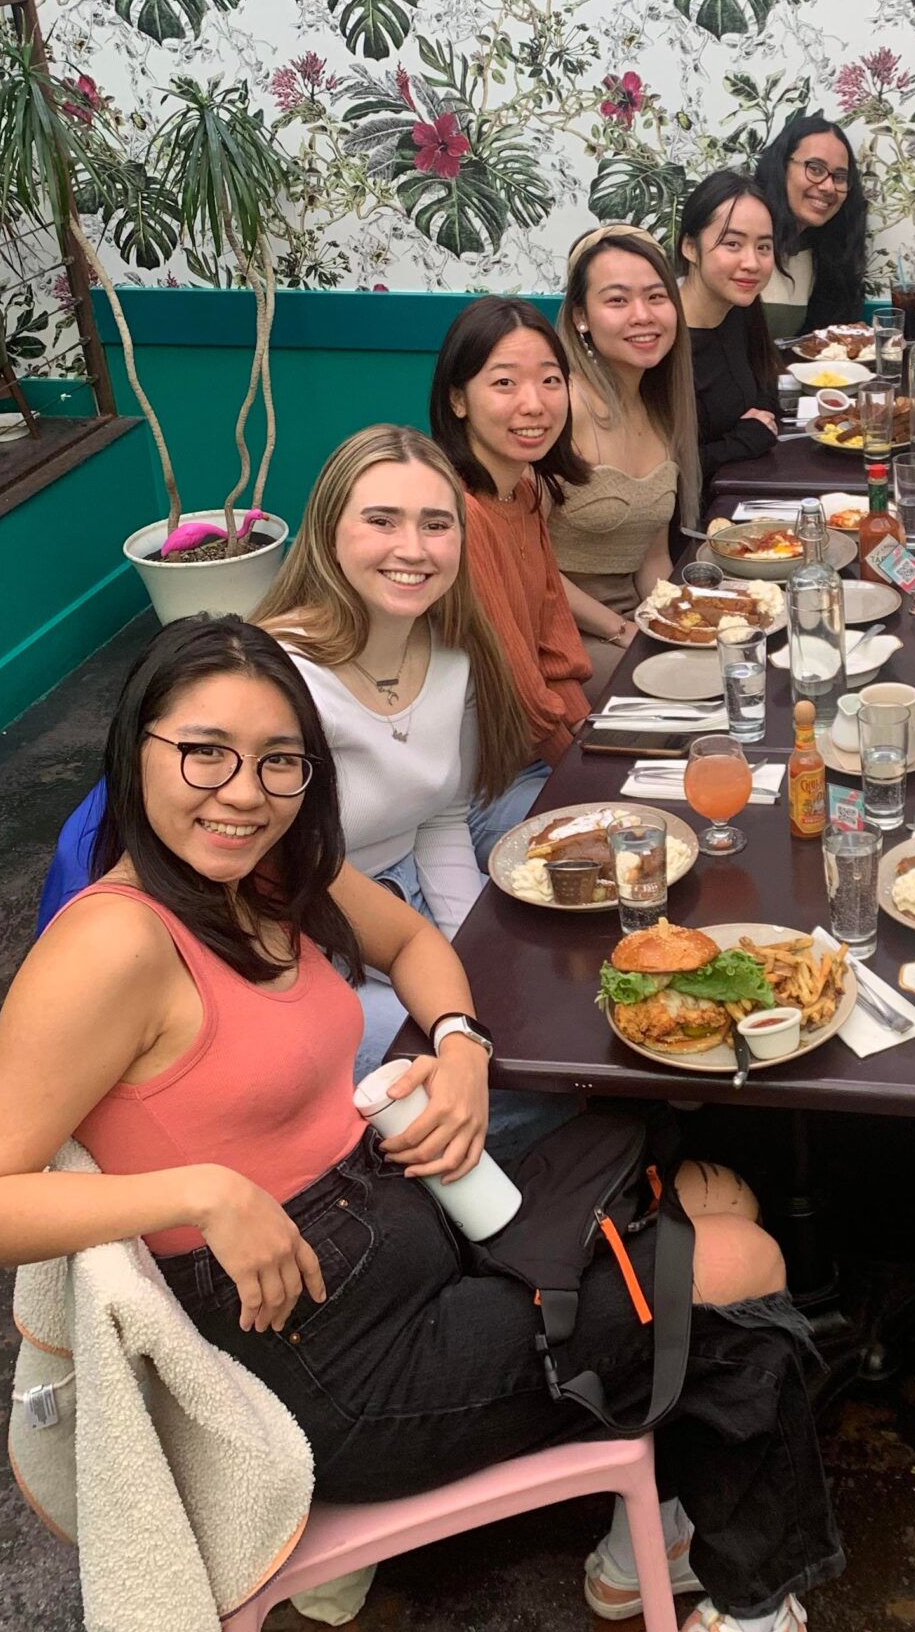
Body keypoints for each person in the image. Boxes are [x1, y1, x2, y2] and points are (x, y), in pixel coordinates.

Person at [0, 616, 839, 1632]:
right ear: (136, 748)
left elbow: (410, 942)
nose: (242, 792)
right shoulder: (112, 944)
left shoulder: (266, 874)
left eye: (279, 761)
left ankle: (663, 1528)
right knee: (738, 1264)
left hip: (406, 1221)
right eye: (204, 752)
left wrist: (460, 1046)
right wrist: (204, 1192)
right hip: (332, 1367)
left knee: (699, 1179)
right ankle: (752, 1612)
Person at [251, 425, 546, 1095]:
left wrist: (472, 958)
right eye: (381, 521)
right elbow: (264, 882)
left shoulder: (453, 655)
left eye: (436, 524)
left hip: (408, 904)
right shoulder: (275, 679)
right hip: (303, 940)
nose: (412, 549)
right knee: (495, 1083)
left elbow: (440, 819)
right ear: (328, 531)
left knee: (537, 1025)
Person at [429, 296, 594, 856]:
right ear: (457, 399)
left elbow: (554, 647)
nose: (534, 404)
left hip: (534, 761)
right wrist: (585, 776)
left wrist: (590, 745)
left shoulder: (521, 489)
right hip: (477, 790)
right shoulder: (457, 511)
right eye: (504, 383)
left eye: (550, 381)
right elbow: (519, 690)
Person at [548, 225, 702, 686]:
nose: (642, 315)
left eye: (656, 297)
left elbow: (652, 561)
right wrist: (622, 631)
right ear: (581, 316)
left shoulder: (660, 409)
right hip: (560, 631)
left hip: (630, 622)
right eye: (617, 300)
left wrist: (683, 623)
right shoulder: (561, 407)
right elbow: (525, 564)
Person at [674, 168, 782, 476]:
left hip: (745, 486)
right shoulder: (660, 336)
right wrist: (742, 442)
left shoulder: (740, 305)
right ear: (690, 247)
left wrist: (760, 420)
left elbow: (764, 382)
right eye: (733, 244)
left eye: (763, 247)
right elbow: (659, 470)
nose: (752, 263)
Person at [755, 113, 869, 338]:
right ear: (781, 167)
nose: (828, 187)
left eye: (839, 177)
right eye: (815, 169)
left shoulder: (820, 255)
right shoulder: (739, 247)